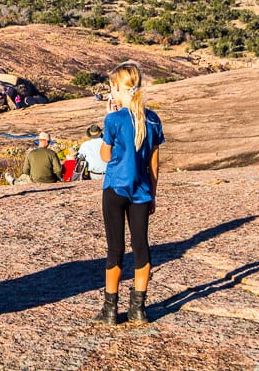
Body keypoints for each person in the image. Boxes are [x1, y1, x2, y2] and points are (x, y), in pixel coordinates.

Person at [93, 62, 164, 325]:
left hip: (114, 188)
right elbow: (154, 163)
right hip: (141, 192)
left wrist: (108, 119)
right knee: (141, 247)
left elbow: (105, 156)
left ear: (116, 88)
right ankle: (138, 310)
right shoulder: (153, 119)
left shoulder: (114, 119)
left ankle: (110, 310)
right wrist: (153, 195)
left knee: (115, 249)